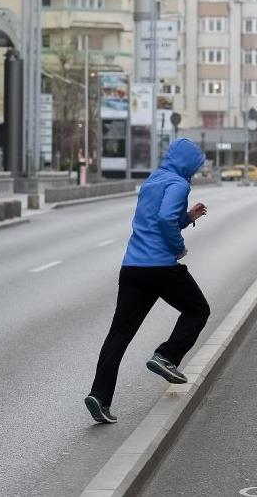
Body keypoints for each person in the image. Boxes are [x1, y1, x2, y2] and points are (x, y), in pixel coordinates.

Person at [85, 138, 210, 424]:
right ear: (188, 163)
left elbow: (155, 218)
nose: (197, 170)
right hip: (161, 268)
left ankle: (99, 397)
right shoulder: (180, 184)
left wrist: (188, 217)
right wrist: (178, 247)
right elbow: (165, 220)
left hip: (132, 268)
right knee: (198, 310)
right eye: (196, 165)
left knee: (118, 335)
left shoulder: (154, 180)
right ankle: (166, 355)